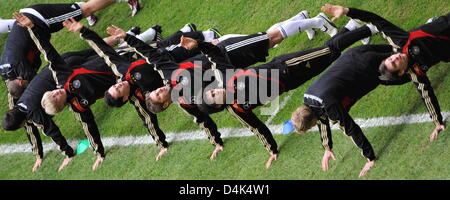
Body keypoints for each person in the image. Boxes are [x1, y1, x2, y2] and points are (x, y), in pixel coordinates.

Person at [143, 12, 344, 168]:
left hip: (226, 50)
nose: (161, 89)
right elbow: (209, 119)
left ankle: (318, 21)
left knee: (270, 38)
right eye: (159, 94)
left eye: (156, 90)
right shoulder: (190, 98)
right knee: (269, 40)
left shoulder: (172, 78)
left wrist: (201, 45)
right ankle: (301, 19)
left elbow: (152, 55)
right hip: (232, 62)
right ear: (166, 103)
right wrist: (269, 149)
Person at [290, 21, 447, 178]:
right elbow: (321, 119)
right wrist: (327, 147)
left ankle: (433, 52)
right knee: (398, 50)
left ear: (312, 122)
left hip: (367, 68)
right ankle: (428, 28)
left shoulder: (329, 106)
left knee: (407, 72)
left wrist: (369, 158)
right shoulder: (308, 97)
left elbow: (351, 129)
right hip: (355, 54)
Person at [321, 4, 447, 140]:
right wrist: (437, 122)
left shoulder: (399, 41)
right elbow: (427, 96)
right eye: (394, 63)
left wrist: (347, 11)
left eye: (391, 58)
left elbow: (375, 20)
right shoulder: (416, 73)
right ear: (401, 72)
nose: (395, 56)